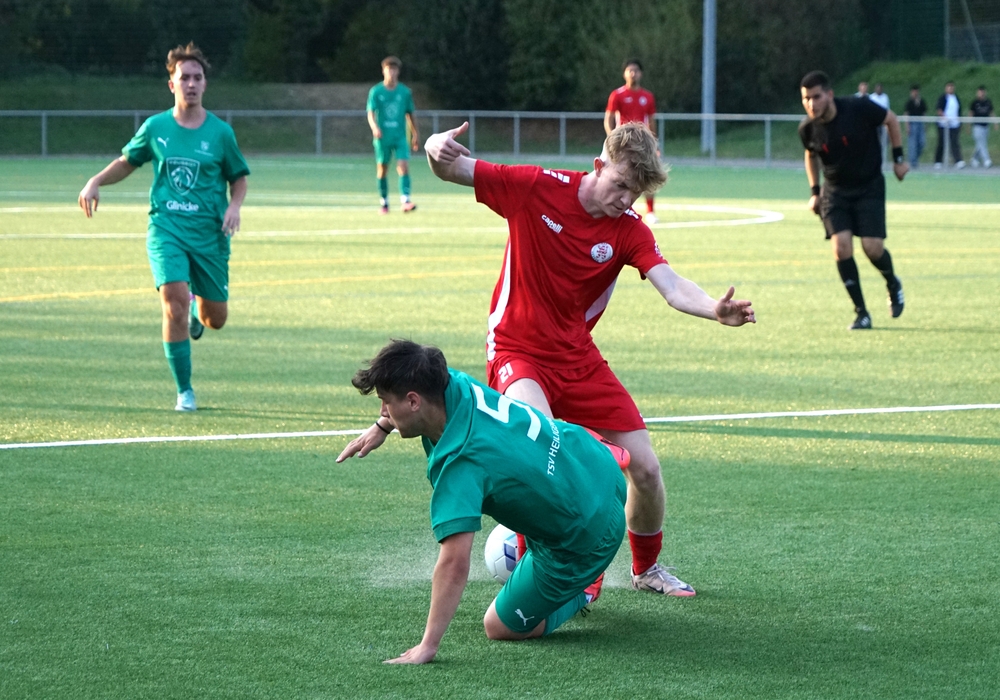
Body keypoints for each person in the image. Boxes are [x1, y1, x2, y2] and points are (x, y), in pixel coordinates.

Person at [348, 121, 756, 598]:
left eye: (636, 191)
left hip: (577, 358)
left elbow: (672, 285)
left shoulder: (628, 229)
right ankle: (556, 571)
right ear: (599, 165)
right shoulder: (535, 187)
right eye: (621, 184)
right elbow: (452, 167)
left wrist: (713, 309)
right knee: (543, 448)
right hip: (516, 349)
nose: (626, 198)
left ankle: (646, 569)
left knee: (645, 469)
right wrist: (436, 145)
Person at [337, 339, 630, 664]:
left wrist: (428, 645)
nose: (382, 411)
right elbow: (416, 396)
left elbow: (454, 563)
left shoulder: (460, 463)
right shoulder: (451, 383)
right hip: (595, 461)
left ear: (413, 401)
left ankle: (584, 588)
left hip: (586, 534)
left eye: (385, 403)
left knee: (498, 626)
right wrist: (383, 427)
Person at [77, 43, 249, 411]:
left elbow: (239, 177)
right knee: (172, 302)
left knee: (215, 319)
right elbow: (128, 161)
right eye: (184, 78)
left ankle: (198, 311)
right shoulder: (155, 127)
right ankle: (184, 390)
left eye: (197, 77)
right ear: (172, 84)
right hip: (166, 228)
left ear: (205, 84)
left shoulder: (221, 133)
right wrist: (96, 180)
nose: (191, 84)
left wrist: (234, 207)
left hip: (210, 235)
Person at [799, 70, 907, 331]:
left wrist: (898, 160)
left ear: (830, 95)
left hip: (869, 186)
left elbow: (891, 120)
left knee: (873, 248)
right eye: (806, 99)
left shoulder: (858, 108)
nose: (811, 104)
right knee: (841, 248)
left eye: (816, 97)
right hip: (835, 192)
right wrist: (814, 191)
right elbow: (810, 154)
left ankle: (892, 282)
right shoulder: (808, 128)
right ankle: (862, 313)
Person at [605, 59, 659, 224]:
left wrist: (654, 144)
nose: (633, 73)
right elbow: (608, 120)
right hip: (622, 144)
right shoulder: (617, 95)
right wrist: (613, 139)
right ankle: (612, 207)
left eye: (636, 70)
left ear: (641, 74)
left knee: (647, 175)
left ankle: (650, 211)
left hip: (642, 144)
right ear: (624, 74)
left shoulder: (647, 96)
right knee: (614, 175)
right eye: (630, 70)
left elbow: (651, 121)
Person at [367, 56, 419, 214]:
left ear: (398, 72)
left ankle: (406, 201)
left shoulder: (404, 92)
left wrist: (415, 134)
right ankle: (384, 203)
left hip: (400, 136)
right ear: (383, 71)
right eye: (389, 69)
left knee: (403, 166)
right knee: (382, 169)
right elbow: (371, 113)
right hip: (383, 137)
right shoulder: (376, 92)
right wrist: (375, 127)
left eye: (394, 69)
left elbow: (410, 114)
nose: (392, 72)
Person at [935, 81, 964, 169]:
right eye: (949, 87)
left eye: (952, 87)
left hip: (954, 124)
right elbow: (939, 110)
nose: (950, 89)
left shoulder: (956, 98)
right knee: (941, 143)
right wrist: (944, 118)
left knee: (954, 142)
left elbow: (959, 111)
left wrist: (959, 122)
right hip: (944, 124)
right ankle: (938, 161)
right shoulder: (943, 98)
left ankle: (958, 160)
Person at [969, 85, 996, 169]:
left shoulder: (988, 102)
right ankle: (987, 160)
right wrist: (968, 125)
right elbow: (971, 114)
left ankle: (974, 159)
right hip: (977, 126)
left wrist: (995, 123)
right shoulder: (974, 103)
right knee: (981, 143)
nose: (981, 94)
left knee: (980, 144)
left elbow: (991, 112)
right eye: (979, 92)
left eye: (982, 92)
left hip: (985, 126)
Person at [903, 84, 928, 167]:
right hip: (912, 124)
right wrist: (907, 126)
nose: (915, 93)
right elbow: (906, 114)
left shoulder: (922, 102)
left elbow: (924, 113)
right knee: (912, 144)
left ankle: (915, 157)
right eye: (914, 91)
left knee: (922, 142)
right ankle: (913, 162)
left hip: (920, 123)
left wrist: (925, 123)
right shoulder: (909, 102)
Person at [869, 83, 890, 161]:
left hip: (882, 122)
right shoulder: (871, 97)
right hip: (874, 122)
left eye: (880, 88)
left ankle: (882, 156)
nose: (879, 90)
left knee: (884, 140)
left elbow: (887, 109)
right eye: (877, 88)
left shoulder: (885, 97)